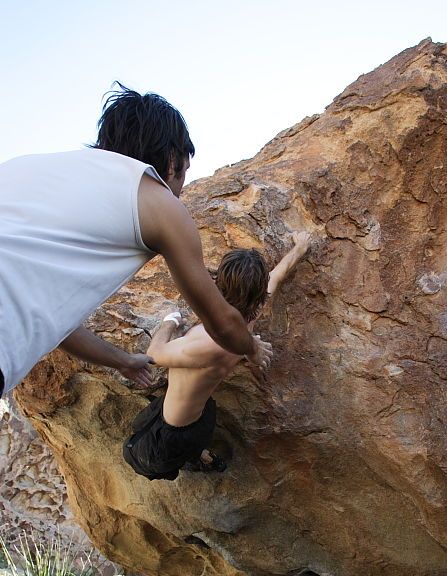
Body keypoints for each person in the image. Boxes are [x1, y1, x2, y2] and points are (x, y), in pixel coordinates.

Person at [0, 83, 271, 399]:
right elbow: (223, 324)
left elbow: (53, 321)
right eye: (183, 173)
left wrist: (124, 360)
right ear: (171, 160)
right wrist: (252, 347)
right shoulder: (157, 201)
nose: (180, 190)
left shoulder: (24, 168)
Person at [123, 232, 311, 481]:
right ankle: (204, 457)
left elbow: (153, 355)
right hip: (201, 414)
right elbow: (276, 277)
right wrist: (300, 248)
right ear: (257, 295)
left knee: (135, 455)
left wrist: (169, 322)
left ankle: (198, 459)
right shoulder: (249, 319)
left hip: (174, 428)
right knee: (190, 443)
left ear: (219, 283)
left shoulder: (207, 341)